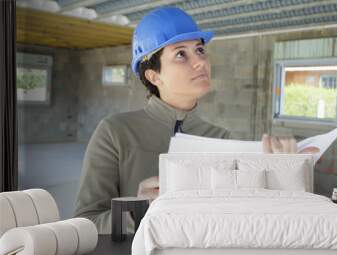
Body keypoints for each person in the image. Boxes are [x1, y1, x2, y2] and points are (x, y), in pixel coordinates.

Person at [73, 7, 317, 234]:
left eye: (200, 50)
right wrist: (136, 212)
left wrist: (282, 177)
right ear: (154, 75)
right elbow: (86, 223)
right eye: (181, 54)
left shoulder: (221, 139)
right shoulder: (115, 132)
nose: (200, 61)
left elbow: (242, 222)